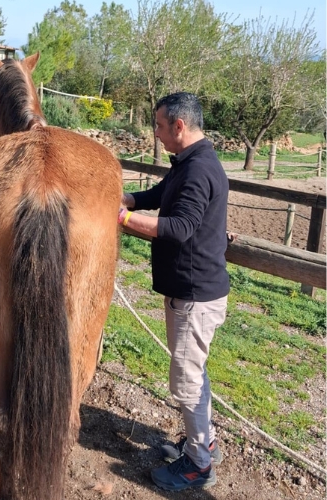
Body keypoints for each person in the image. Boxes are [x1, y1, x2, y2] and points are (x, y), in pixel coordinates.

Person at [118, 92, 229, 491]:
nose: (157, 133)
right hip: (191, 293)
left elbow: (180, 227)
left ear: (179, 126)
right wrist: (128, 198)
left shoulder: (198, 170)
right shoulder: (191, 163)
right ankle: (206, 443)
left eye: (160, 126)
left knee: (187, 382)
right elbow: (162, 195)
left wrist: (124, 218)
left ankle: (199, 465)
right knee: (193, 374)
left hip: (194, 296)